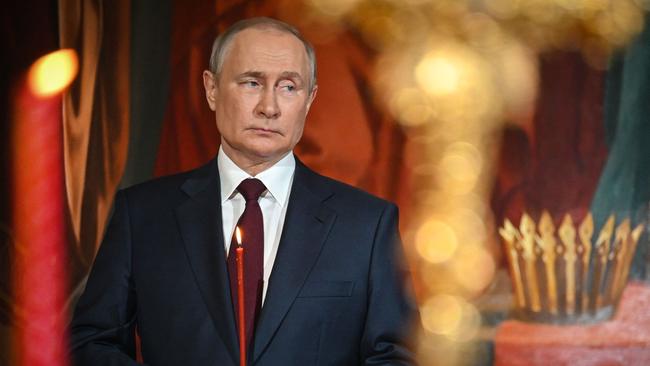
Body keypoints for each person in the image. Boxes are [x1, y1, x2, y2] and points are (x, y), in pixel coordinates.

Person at [70, 17, 417, 365]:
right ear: (212, 89)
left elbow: (396, 355)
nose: (269, 107)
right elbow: (92, 341)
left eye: (289, 87)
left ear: (309, 100)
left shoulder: (367, 225)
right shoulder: (142, 214)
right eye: (252, 82)